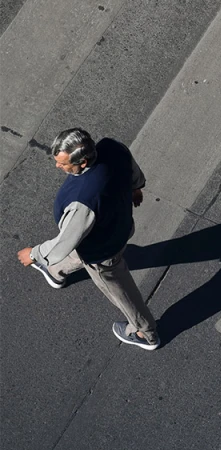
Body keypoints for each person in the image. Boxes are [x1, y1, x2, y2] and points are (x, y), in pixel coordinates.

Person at [15, 128, 159, 350]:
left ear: (82, 162)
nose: (58, 167)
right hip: (118, 225)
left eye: (63, 164)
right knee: (82, 247)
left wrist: (34, 254)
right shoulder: (111, 147)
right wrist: (135, 188)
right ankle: (56, 272)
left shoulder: (83, 202)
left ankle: (145, 333)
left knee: (120, 290)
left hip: (104, 250)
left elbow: (66, 241)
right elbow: (131, 168)